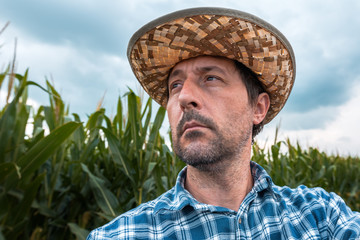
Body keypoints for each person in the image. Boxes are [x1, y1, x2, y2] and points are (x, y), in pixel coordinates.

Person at [87, 7, 360, 239]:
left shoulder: (321, 217)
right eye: (175, 85)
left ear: (258, 108)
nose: (184, 97)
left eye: (210, 78)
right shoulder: (123, 234)